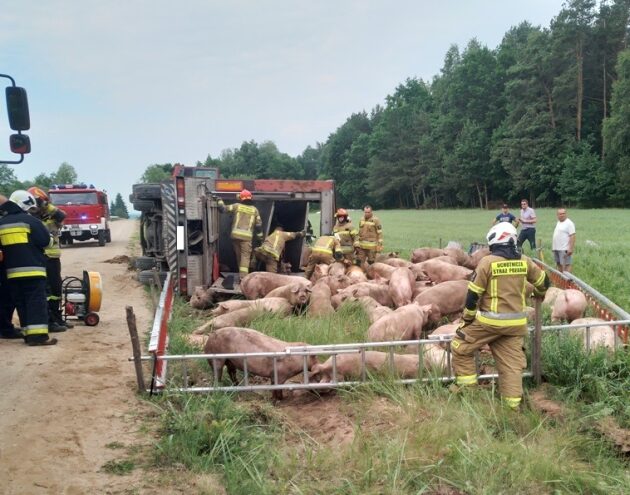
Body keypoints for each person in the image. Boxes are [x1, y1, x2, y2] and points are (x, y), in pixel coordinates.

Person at [450, 222, 549, 410]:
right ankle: (511, 407)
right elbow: (544, 282)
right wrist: (538, 292)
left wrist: (468, 319)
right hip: (516, 324)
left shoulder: (487, 262)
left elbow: (473, 295)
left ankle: (468, 391)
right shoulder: (525, 261)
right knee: (511, 365)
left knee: (460, 346)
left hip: (490, 322)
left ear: (496, 242)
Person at [0, 191, 59, 346]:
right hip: (33, 270)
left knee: (21, 303)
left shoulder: (2, 223)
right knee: (35, 303)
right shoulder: (31, 221)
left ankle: (27, 334)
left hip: (11, 274)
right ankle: (38, 337)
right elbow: (45, 242)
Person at [28, 186, 70, 332]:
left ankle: (57, 318)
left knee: (56, 290)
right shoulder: (30, 218)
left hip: (53, 257)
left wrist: (45, 205)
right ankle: (49, 321)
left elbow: (61, 216)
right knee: (46, 291)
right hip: (41, 258)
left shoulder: (50, 214)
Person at [215, 189, 263, 279]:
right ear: (250, 198)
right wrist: (260, 238)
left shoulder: (237, 206)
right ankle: (243, 278)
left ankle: (241, 275)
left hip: (235, 236)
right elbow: (258, 225)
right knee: (245, 257)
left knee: (239, 256)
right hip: (246, 238)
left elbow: (222, 209)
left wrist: (219, 200)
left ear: (241, 198)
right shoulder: (254, 210)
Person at [552, 208, 576, 273]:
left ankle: (568, 280)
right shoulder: (558, 222)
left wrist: (570, 248)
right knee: (558, 264)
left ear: (566, 214)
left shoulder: (569, 223)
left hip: (564, 248)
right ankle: (561, 279)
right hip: (557, 248)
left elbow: (572, 236)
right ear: (557, 215)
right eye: (560, 214)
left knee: (566, 264)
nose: (562, 215)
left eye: (563, 213)